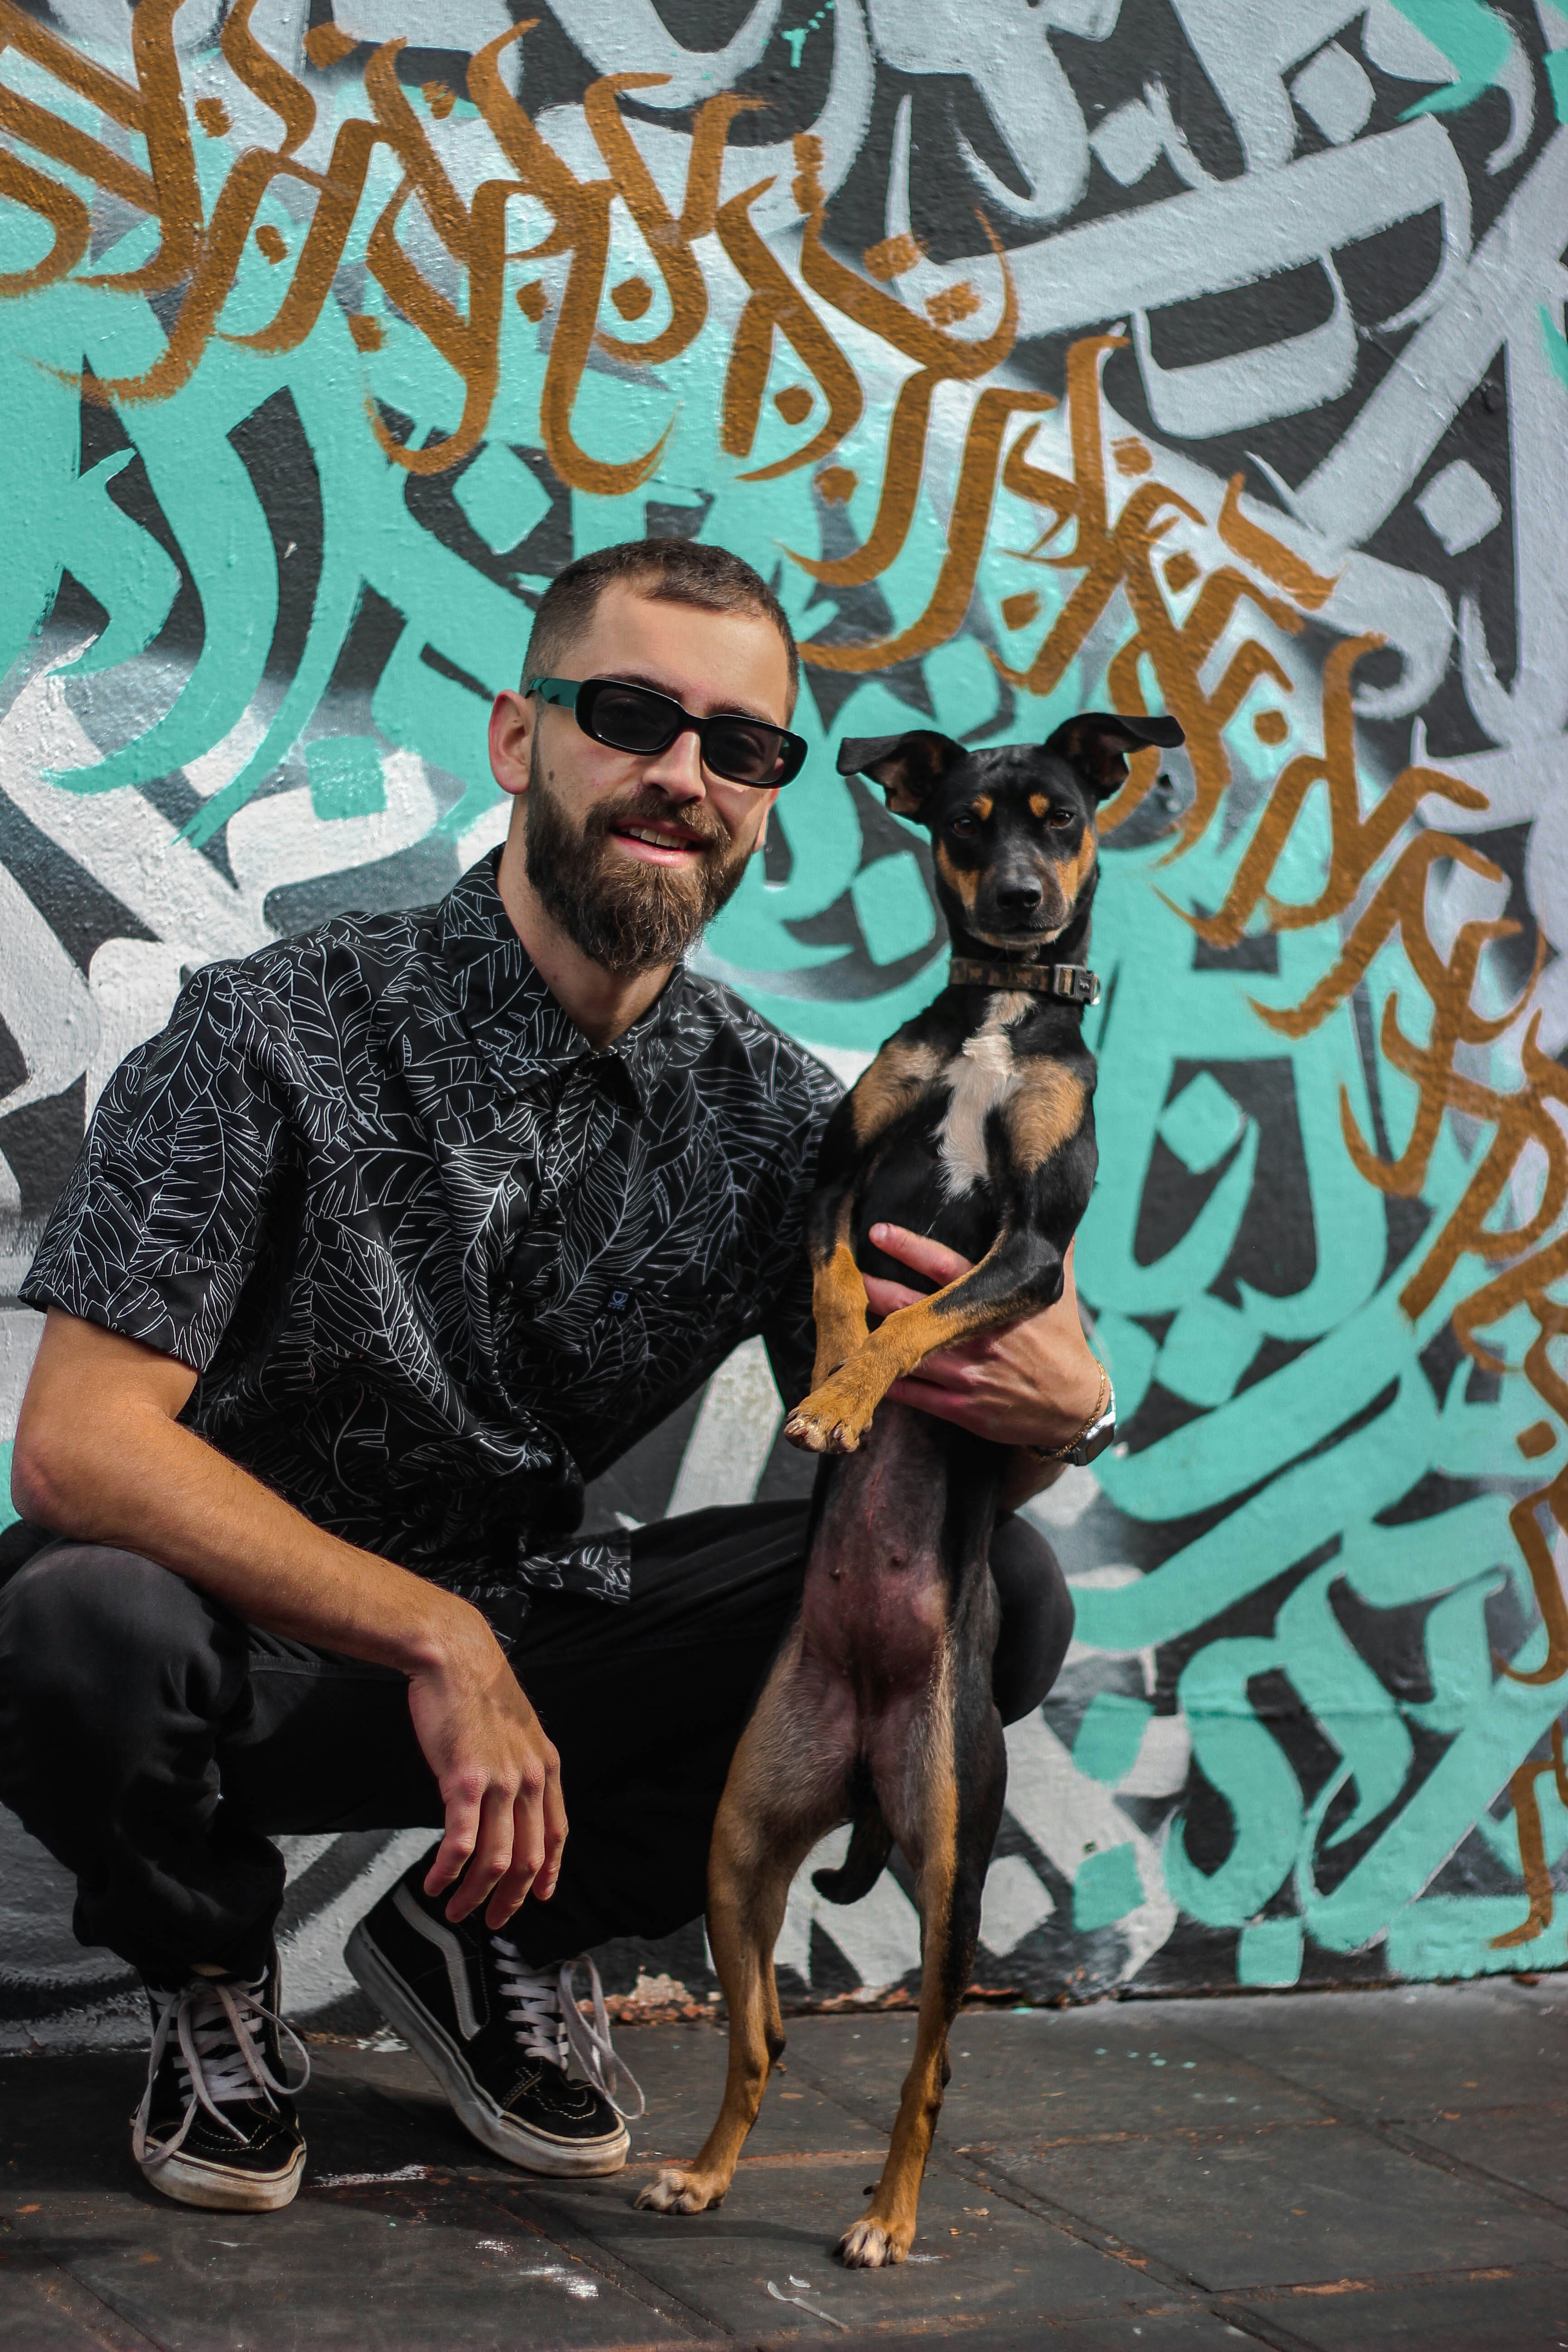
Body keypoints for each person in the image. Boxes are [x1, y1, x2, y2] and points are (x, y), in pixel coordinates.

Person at [0, 540, 1109, 2215]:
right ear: (521, 739)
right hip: (253, 1664)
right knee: (67, 1620)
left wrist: (1057, 1407)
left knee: (998, 1594)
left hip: (548, 1661)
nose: (684, 776)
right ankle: (213, 1975)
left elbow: (887, 1453)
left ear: (769, 800)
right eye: (631, 717)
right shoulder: (268, 1033)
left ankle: (484, 1935)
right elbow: (77, 1448)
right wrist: (435, 1633)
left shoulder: (769, 1117)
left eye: (740, 748)